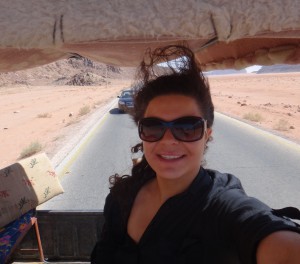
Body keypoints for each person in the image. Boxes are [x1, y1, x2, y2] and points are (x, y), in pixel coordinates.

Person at [91, 45, 300, 264]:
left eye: (187, 127)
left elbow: (267, 233)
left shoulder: (222, 206)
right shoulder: (121, 197)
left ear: (207, 134)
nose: (169, 140)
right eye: (154, 127)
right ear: (142, 133)